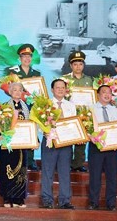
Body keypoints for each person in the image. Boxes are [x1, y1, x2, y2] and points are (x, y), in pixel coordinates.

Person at [40, 79, 75, 209]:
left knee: (65, 171)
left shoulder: (71, 105)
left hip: (66, 143)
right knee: (47, 171)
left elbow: (74, 124)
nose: (60, 89)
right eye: (57, 87)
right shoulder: (46, 105)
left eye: (62, 87)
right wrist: (45, 129)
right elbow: (39, 124)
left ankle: (64, 200)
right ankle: (47, 200)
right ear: (52, 90)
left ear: (66, 89)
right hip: (50, 141)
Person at [0, 82, 29, 208]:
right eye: (15, 89)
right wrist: (0, 136)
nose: (17, 92)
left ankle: (19, 198)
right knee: (7, 170)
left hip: (22, 145)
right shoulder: (3, 107)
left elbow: (31, 125)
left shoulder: (27, 108)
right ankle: (7, 197)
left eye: (20, 90)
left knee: (21, 171)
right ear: (10, 91)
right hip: (7, 145)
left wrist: (33, 139)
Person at [7, 44, 41, 171]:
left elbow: (38, 91)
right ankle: (16, 159)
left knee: (31, 131)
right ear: (20, 58)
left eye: (29, 56)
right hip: (16, 105)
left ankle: (30, 160)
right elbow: (8, 89)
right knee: (15, 131)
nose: (27, 59)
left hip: (31, 106)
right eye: (24, 56)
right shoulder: (13, 72)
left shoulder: (36, 73)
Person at [87, 85, 117, 211]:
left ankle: (111, 203)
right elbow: (87, 127)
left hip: (112, 147)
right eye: (104, 92)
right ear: (98, 94)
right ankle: (93, 202)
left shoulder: (115, 110)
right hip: (96, 147)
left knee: (112, 176)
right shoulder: (91, 109)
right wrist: (91, 137)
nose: (107, 95)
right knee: (95, 176)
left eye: (109, 93)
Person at [62, 51, 93, 172]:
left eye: (80, 64)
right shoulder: (64, 80)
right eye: (75, 64)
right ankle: (66, 163)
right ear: (71, 66)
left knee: (81, 140)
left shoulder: (90, 80)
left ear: (83, 65)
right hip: (69, 113)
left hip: (84, 114)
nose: (78, 67)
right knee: (68, 139)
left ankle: (78, 164)